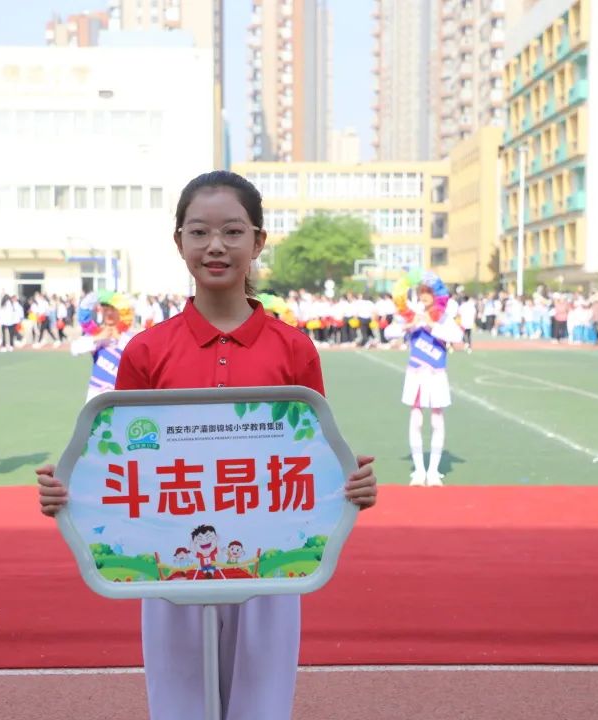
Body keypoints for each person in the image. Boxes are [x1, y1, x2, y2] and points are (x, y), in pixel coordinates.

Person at [34, 171, 378, 720]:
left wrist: (350, 484)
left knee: (262, 704)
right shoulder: (147, 351)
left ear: (258, 241)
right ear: (179, 243)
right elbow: (126, 460)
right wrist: (70, 490)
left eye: (233, 231)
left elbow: (313, 454)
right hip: (171, 563)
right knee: (179, 704)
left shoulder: (294, 349)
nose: (215, 246)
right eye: (199, 232)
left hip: (268, 564)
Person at [399, 273, 463, 486]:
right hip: (416, 373)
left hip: (436, 373)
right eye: (422, 292)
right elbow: (391, 330)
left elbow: (457, 339)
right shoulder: (413, 314)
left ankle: (433, 472)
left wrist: (431, 326)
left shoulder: (443, 316)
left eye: (428, 292)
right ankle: (418, 471)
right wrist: (409, 326)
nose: (425, 296)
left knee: (437, 420)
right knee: (416, 419)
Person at [69, 291, 136, 401]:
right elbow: (74, 349)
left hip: (121, 392)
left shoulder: (128, 336)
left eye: (113, 310)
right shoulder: (96, 334)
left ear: (120, 312)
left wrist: (118, 337)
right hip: (96, 393)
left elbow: (137, 353)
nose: (109, 314)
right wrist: (98, 337)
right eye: (105, 310)